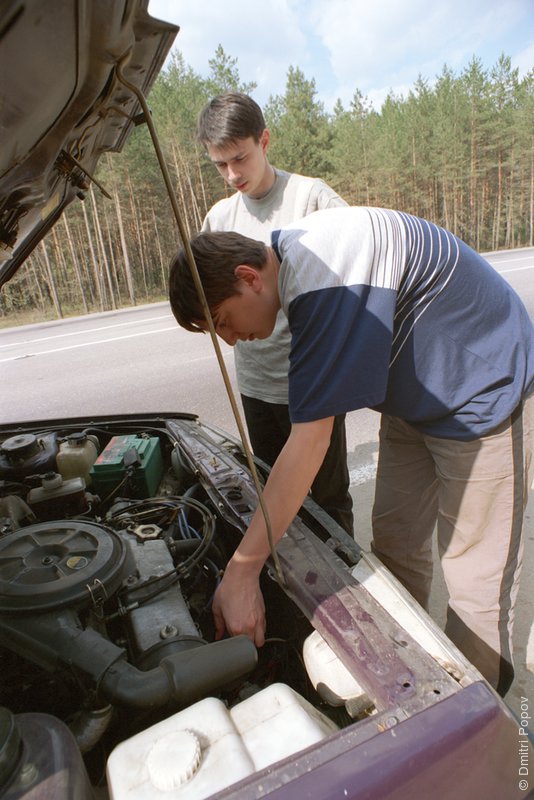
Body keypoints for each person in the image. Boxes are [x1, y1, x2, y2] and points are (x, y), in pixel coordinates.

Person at [169, 206, 534, 697]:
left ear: (248, 277)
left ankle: (479, 718)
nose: (232, 340)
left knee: (474, 583)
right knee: (395, 546)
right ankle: (411, 681)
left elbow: (309, 440)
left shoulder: (324, 273)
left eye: (222, 322)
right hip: (416, 402)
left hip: (483, 397)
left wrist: (243, 568)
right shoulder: (299, 271)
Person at [196, 92, 353, 535]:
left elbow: (351, 276)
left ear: (264, 140)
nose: (231, 175)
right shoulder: (219, 218)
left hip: (313, 386)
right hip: (256, 385)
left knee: (328, 499)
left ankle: (348, 591)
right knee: (275, 493)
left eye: (239, 159)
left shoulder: (311, 198)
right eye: (219, 165)